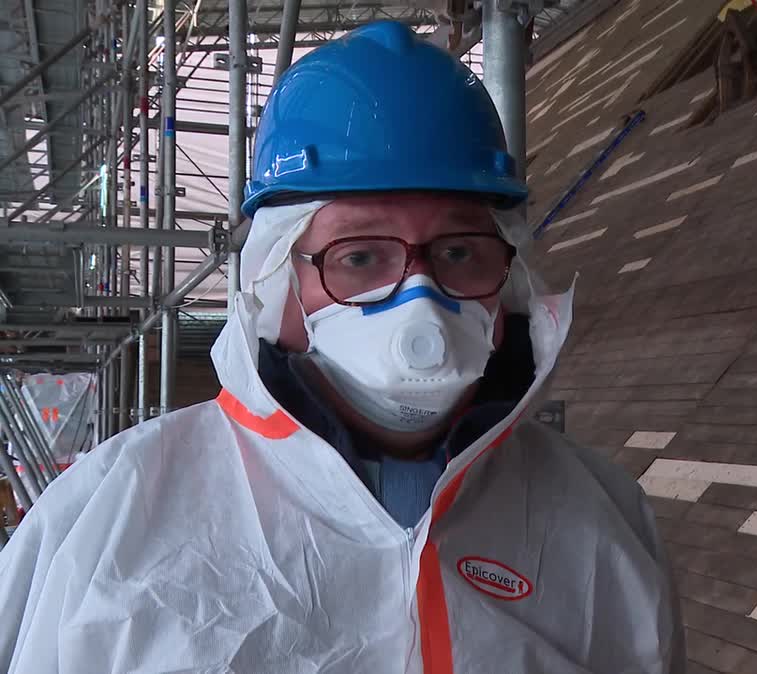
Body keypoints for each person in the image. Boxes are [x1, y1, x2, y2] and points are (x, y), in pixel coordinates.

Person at [0, 22, 683, 673]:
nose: (420, 301)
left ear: (506, 278)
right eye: (359, 258)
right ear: (277, 283)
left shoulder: (605, 522)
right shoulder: (106, 519)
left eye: (458, 251)